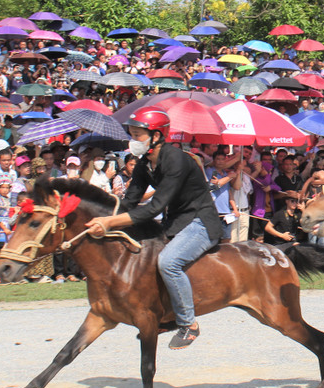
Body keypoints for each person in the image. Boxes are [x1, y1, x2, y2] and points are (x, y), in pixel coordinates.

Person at [85, 106, 222, 350]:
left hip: (201, 222)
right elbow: (128, 202)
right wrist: (101, 215)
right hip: (176, 223)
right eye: (132, 134)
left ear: (156, 136)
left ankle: (189, 324)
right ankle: (167, 317)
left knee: (169, 263)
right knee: (145, 261)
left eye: (137, 135)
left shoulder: (177, 159)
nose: (132, 140)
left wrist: (110, 223)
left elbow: (153, 208)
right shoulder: (144, 164)